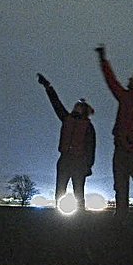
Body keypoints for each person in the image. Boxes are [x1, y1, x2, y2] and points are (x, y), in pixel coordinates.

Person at [95, 45, 133, 220]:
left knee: (131, 185)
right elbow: (111, 80)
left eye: (131, 79)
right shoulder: (132, 98)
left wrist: (130, 137)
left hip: (131, 149)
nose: (128, 80)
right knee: (129, 184)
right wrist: (103, 60)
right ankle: (132, 215)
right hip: (128, 148)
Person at [36, 73, 96, 211]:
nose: (75, 107)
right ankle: (60, 212)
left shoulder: (86, 126)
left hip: (78, 161)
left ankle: (79, 214)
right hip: (65, 159)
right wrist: (48, 87)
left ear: (84, 110)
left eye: (78, 106)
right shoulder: (67, 119)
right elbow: (56, 103)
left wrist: (88, 166)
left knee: (78, 190)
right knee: (61, 189)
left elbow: (91, 148)